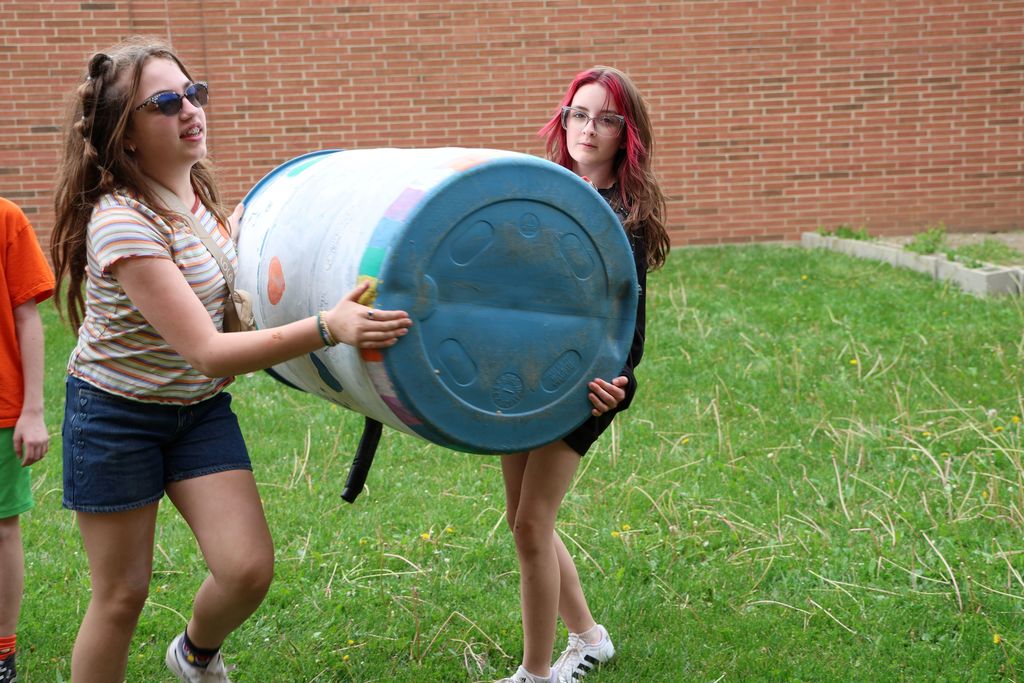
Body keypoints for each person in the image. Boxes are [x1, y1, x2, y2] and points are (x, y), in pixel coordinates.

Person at [50, 37, 412, 683]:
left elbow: (230, 301)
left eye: (194, 93)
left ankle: (193, 653)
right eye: (164, 102)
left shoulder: (195, 196)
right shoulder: (122, 223)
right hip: (115, 418)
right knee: (122, 594)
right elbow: (209, 349)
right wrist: (330, 327)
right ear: (125, 135)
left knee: (247, 568)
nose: (189, 109)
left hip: (194, 409)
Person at [495, 66, 671, 683]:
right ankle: (590, 639)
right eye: (578, 113)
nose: (587, 128)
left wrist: (615, 386)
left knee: (533, 524)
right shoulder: (544, 194)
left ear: (628, 136)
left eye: (605, 119)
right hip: (523, 379)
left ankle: (537, 674)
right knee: (523, 520)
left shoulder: (625, 217)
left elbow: (631, 333)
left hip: (584, 389)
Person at [0, 197, 55, 683]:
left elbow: (27, 317)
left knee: (1, 529)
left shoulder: (5, 218)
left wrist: (32, 410)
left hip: (1, 409)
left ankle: (2, 653)